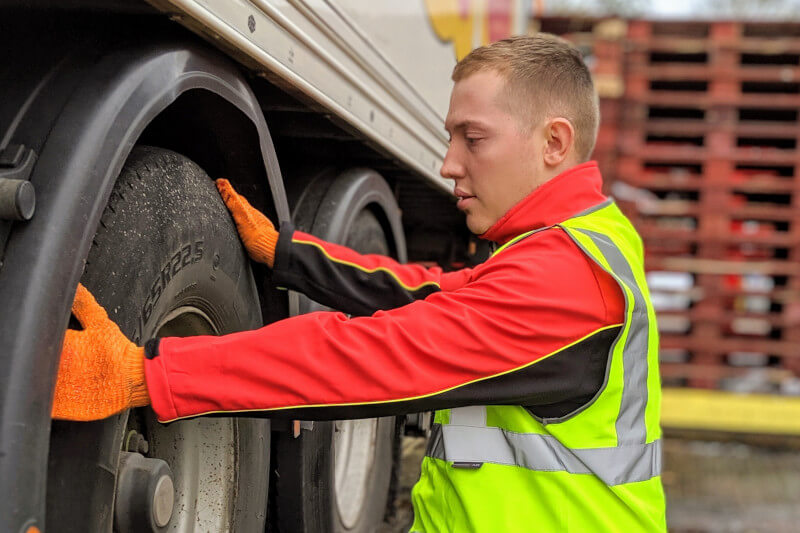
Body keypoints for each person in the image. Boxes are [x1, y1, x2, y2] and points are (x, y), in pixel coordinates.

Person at [52, 34, 666, 531]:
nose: (449, 163)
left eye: (472, 139)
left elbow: (373, 354)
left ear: (553, 142)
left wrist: (148, 373)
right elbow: (429, 295)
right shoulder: (571, 246)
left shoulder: (571, 282)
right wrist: (290, 254)